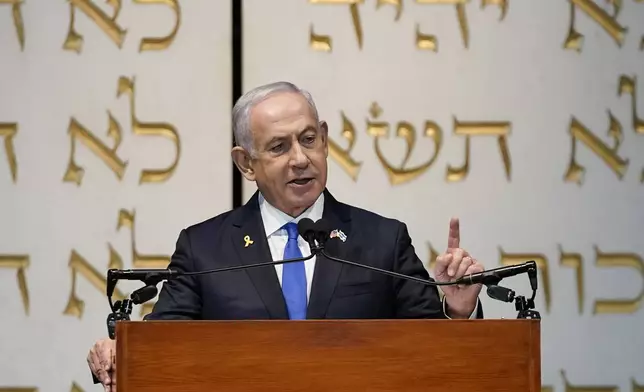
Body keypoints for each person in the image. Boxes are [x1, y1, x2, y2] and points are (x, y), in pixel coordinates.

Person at [87, 81, 485, 391]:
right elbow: (162, 347)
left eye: (309, 139)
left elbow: (435, 359)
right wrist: (124, 354)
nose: (300, 159)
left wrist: (457, 312)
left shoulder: (382, 239)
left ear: (325, 140)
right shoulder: (203, 248)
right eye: (279, 147)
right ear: (246, 163)